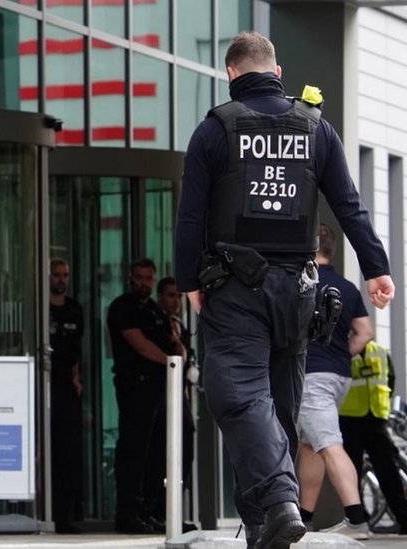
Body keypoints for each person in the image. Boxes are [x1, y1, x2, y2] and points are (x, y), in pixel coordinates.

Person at [175, 31, 394, 549]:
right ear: (276, 71)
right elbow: (348, 203)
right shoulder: (317, 129)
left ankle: (278, 500)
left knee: (238, 396)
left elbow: (190, 218)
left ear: (231, 74)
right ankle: (261, 527)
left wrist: (189, 282)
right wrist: (375, 266)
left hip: (235, 290)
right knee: (278, 404)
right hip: (298, 291)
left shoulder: (215, 130)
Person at [295, 225, 372, 539]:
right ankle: (304, 520)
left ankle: (356, 519)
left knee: (327, 444)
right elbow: (365, 332)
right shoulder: (347, 287)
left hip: (312, 376)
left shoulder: (303, 284)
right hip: (338, 376)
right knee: (310, 445)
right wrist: (341, 353)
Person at [106, 258, 186, 534]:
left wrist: (175, 346)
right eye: (139, 277)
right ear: (130, 278)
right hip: (135, 387)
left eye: (148, 278)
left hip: (160, 388)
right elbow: (140, 345)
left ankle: (150, 511)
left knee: (156, 452)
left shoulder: (155, 310)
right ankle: (128, 513)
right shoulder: (122, 307)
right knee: (134, 451)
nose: (144, 283)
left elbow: (176, 346)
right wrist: (171, 363)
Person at [339, 341, 407, 534]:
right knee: (352, 472)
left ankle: (403, 518)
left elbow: (390, 380)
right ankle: (360, 519)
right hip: (350, 418)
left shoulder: (378, 351)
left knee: (389, 471)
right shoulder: (344, 350)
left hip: (375, 418)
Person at [156, 276, 197, 529]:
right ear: (160, 297)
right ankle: (162, 513)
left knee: (185, 451)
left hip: (182, 396)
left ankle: (175, 513)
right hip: (162, 399)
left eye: (178, 296)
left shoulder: (180, 325)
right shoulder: (160, 324)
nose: (175, 300)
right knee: (164, 455)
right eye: (170, 295)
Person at [48, 257, 85, 533]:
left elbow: (76, 351)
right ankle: (49, 513)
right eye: (57, 274)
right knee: (49, 452)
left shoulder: (74, 310)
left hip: (67, 387)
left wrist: (76, 378)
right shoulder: (41, 308)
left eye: (65, 274)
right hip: (45, 388)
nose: (61, 279)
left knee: (69, 453)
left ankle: (68, 514)